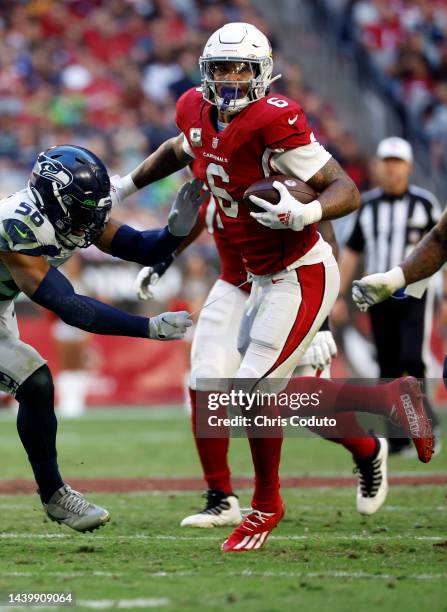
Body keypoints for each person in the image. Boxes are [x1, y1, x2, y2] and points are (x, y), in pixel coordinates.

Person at [111, 22, 432, 552]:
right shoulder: (195, 111)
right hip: (251, 277)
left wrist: (303, 210)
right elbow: (185, 155)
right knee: (268, 396)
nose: (232, 80)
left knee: (252, 393)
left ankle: (266, 504)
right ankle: (390, 403)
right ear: (205, 74)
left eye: (242, 69)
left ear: (263, 73)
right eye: (222, 69)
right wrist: (128, 189)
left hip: (300, 271)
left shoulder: (273, 121)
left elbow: (342, 190)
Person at [135, 196, 389, 525]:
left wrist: (323, 321)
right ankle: (221, 497)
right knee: (205, 377)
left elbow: (323, 236)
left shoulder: (274, 167)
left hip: (292, 288)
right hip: (235, 286)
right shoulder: (209, 160)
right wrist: (162, 261)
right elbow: (198, 214)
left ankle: (368, 450)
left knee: (302, 403)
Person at [0, 144, 202, 533]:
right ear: (52, 199)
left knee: (35, 383)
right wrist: (148, 328)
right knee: (36, 381)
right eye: (81, 210)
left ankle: (55, 495)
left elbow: (142, 248)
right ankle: (56, 494)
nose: (90, 221)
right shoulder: (19, 224)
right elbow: (70, 306)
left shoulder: (71, 213)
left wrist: (176, 230)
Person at [334, 137, 441, 454]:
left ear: (408, 167)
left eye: (398, 163)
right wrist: (338, 296)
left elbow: (441, 251)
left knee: (413, 359)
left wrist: (446, 296)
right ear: (379, 167)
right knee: (388, 366)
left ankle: (424, 428)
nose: (392, 170)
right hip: (379, 294)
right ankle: (396, 439)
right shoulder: (366, 206)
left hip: (417, 292)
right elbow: (351, 253)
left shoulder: (424, 204)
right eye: (387, 163)